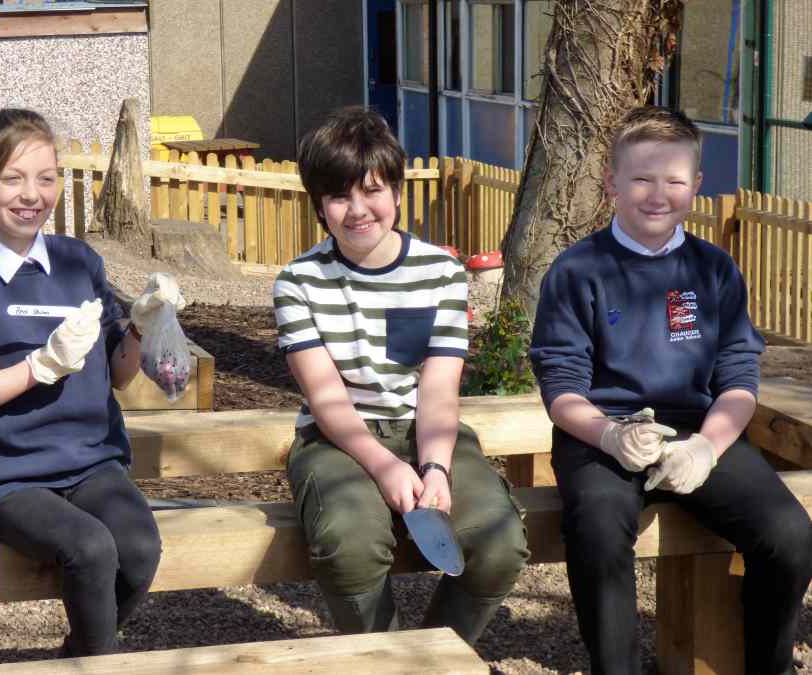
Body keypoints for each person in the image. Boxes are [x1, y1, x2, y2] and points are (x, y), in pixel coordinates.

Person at [529, 105, 812, 675]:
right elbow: (560, 388)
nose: (658, 195)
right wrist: (611, 435)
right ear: (611, 183)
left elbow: (738, 378)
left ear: (696, 185)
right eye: (641, 179)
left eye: (674, 181)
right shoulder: (576, 270)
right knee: (597, 530)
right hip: (601, 437)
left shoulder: (714, 269)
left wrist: (706, 447)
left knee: (790, 535)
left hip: (696, 430)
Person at [0, 108, 183, 657]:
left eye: (46, 177)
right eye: (12, 178)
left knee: (137, 548)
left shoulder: (77, 261)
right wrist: (39, 367)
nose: (32, 195)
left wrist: (139, 327)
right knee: (90, 548)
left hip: (90, 461)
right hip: (7, 474)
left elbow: (119, 375)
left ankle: (77, 658)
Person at [272, 107, 529, 644]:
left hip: (429, 430)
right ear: (318, 204)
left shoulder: (441, 271)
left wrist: (434, 467)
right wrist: (385, 465)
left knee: (501, 545)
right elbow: (327, 398)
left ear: (395, 189)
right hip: (337, 439)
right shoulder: (298, 282)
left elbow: (439, 390)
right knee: (349, 545)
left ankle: (434, 655)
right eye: (339, 196)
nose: (358, 210)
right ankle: (385, 657)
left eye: (372, 190)